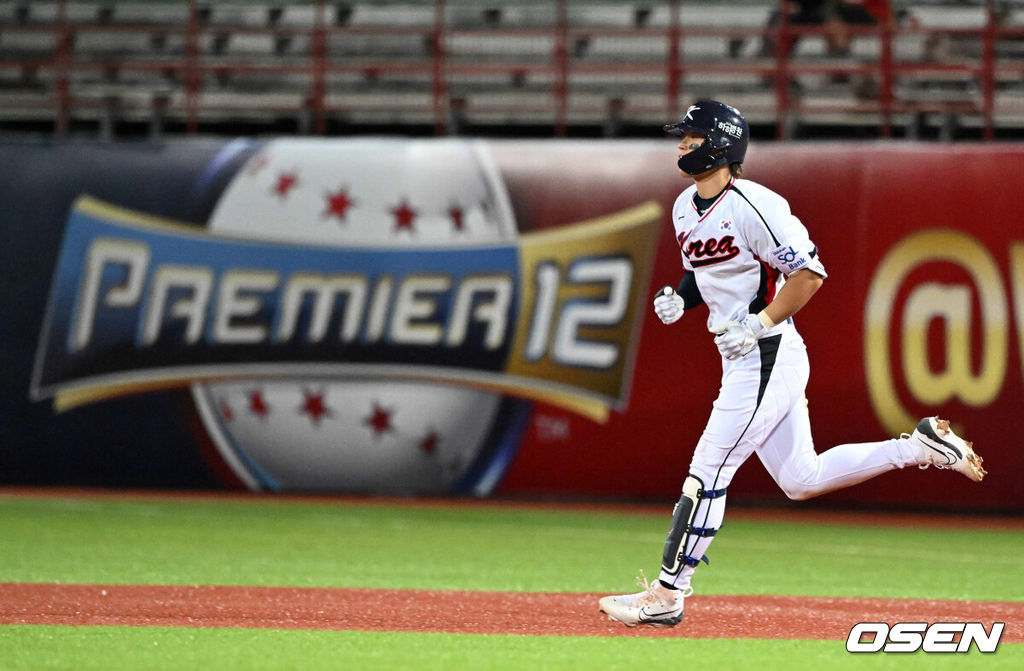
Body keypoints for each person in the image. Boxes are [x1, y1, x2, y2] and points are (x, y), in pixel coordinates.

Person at [598, 100, 986, 628]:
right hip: (743, 354)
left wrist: (758, 324)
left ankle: (667, 595)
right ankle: (919, 447)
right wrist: (680, 298)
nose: (682, 145)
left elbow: (809, 276)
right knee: (801, 477)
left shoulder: (758, 205)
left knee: (709, 466)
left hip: (767, 351)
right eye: (682, 137)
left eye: (691, 136)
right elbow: (704, 272)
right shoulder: (684, 207)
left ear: (720, 144)